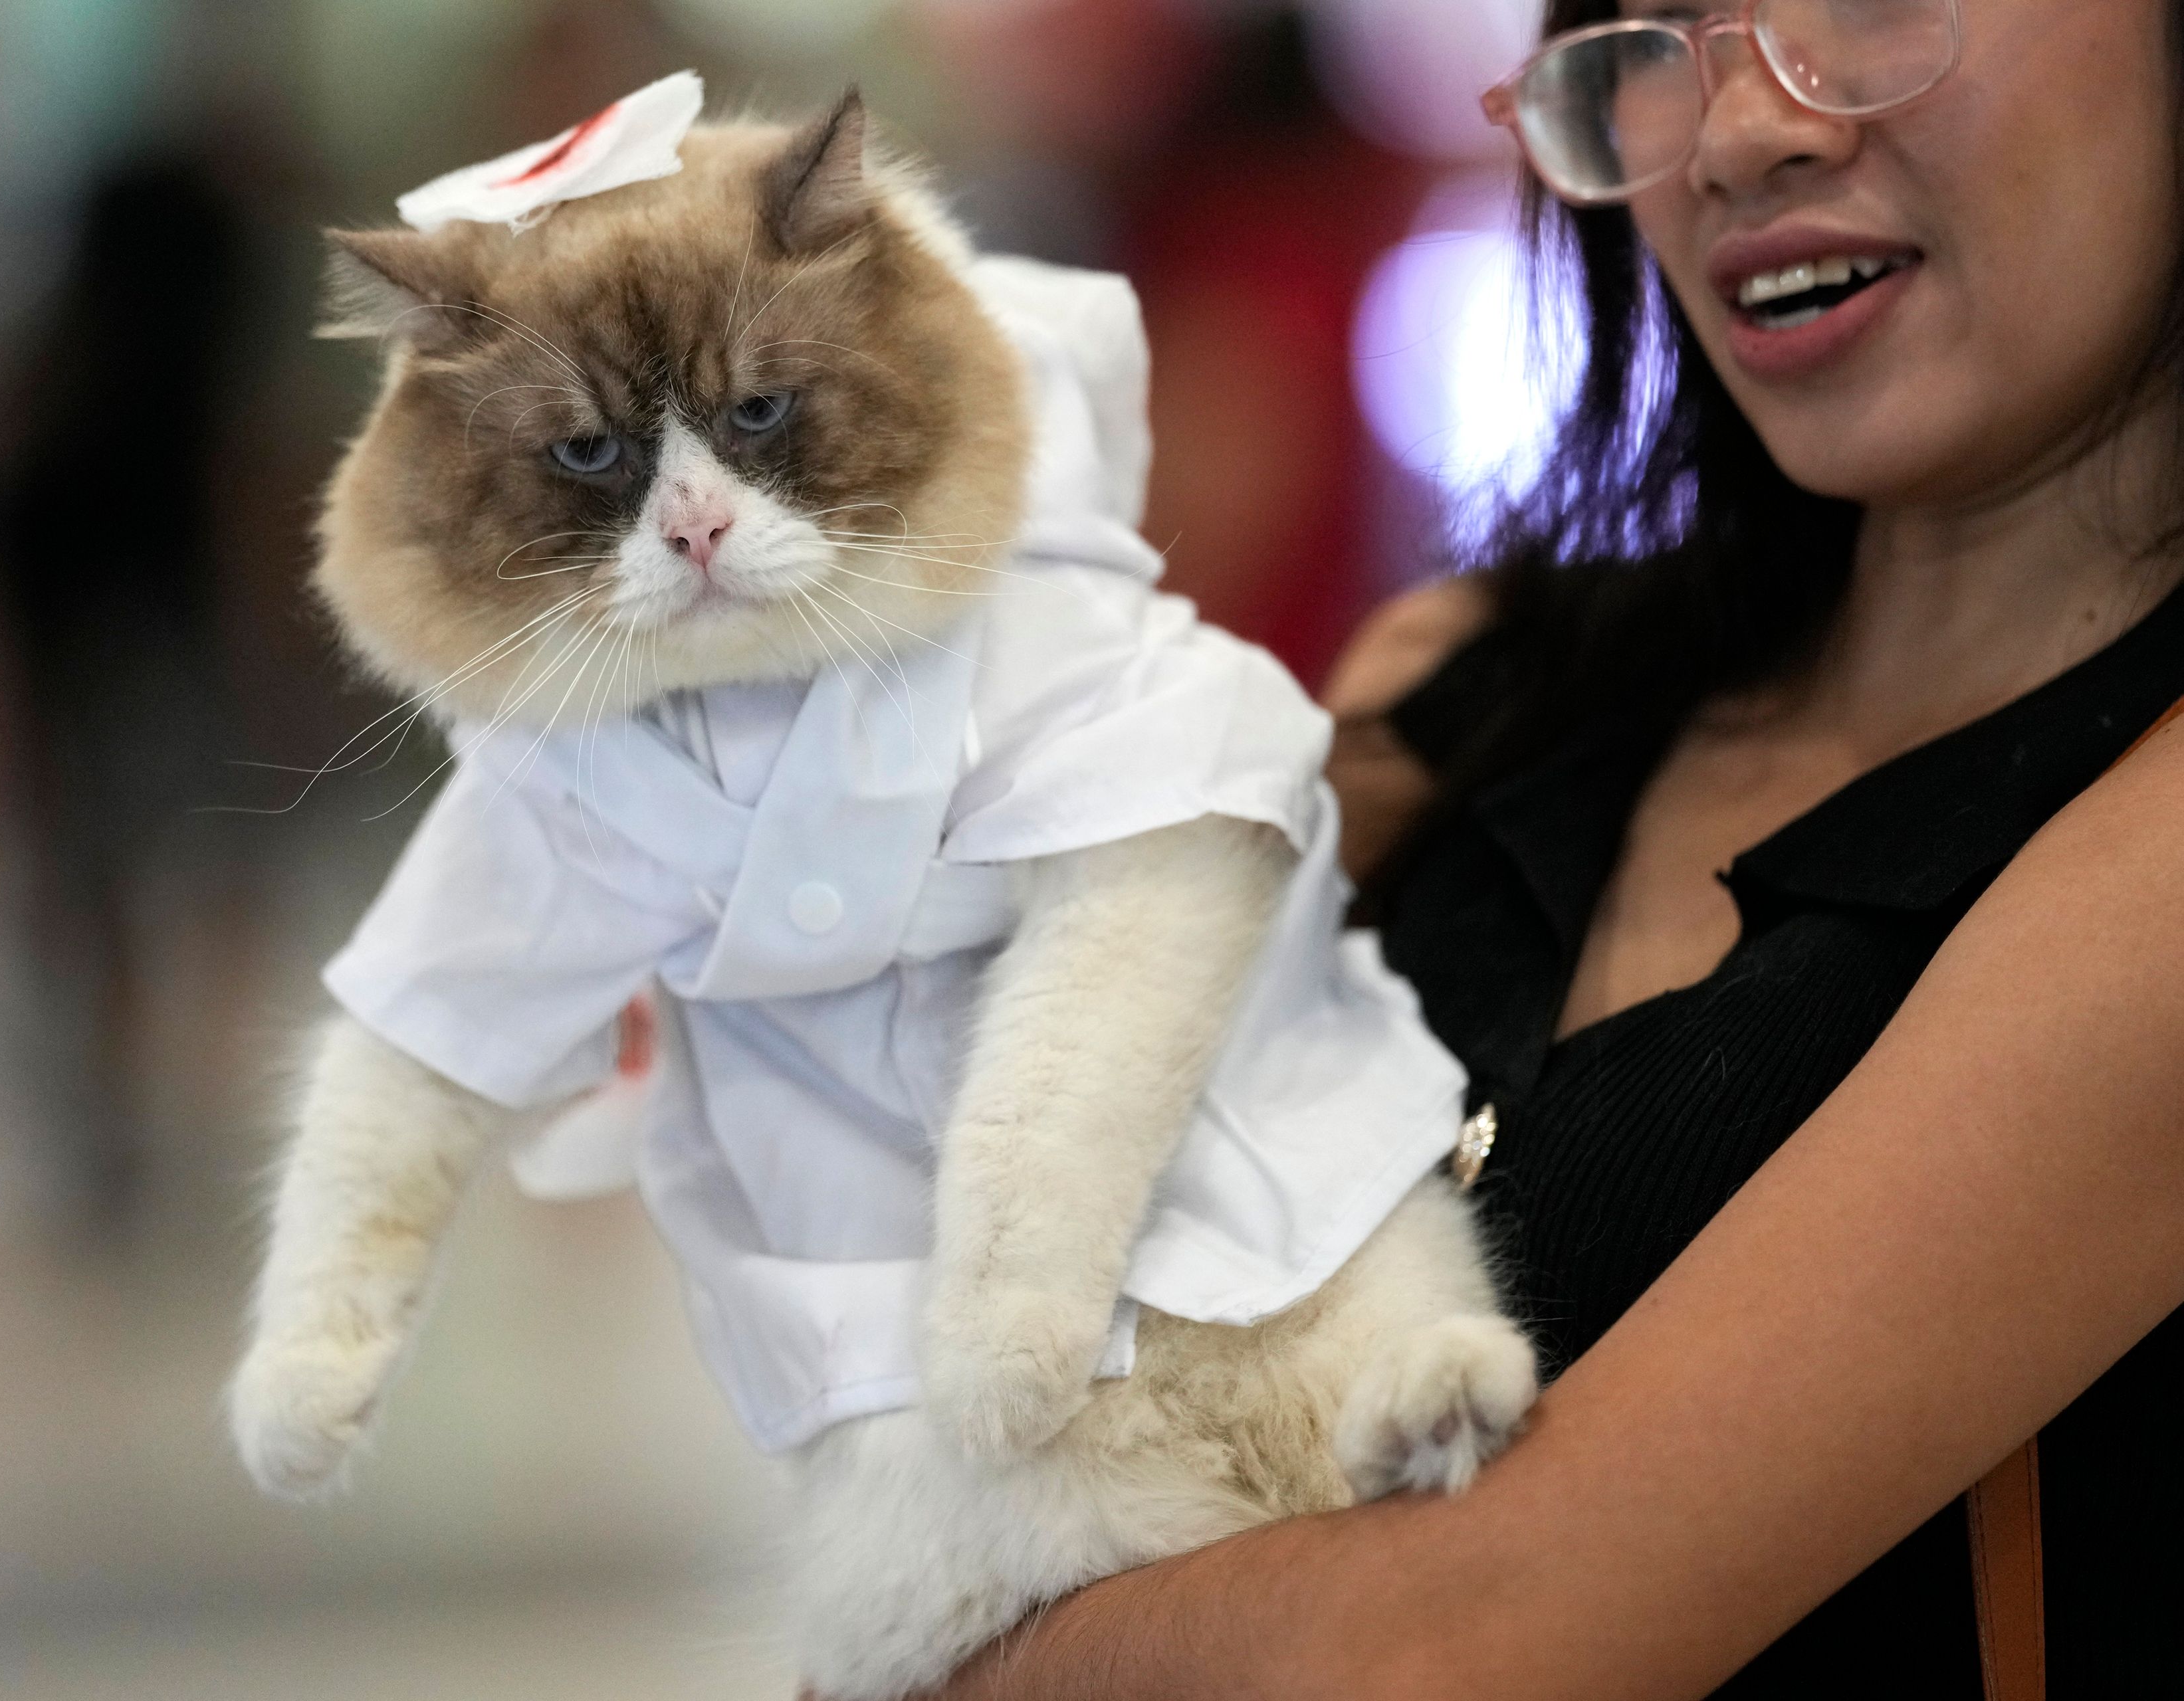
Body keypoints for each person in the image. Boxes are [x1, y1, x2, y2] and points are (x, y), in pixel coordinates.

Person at [932, 0, 2184, 1694]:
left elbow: (1466, 1645)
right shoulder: (1466, 680)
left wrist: (943, 1658)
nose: (1740, 131)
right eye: (1655, 33)